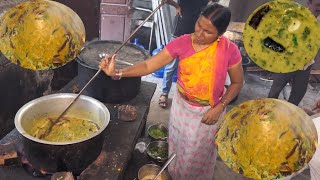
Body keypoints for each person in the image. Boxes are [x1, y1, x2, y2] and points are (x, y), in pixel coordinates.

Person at [100, 4, 243, 179]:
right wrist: (117, 72)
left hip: (208, 113)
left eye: (208, 31)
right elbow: (148, 65)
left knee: (196, 157)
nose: (199, 33)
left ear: (220, 34)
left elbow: (237, 83)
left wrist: (220, 106)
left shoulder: (229, 50)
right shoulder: (182, 42)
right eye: (199, 25)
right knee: (177, 148)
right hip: (181, 108)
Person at [159, 0, 218, 108]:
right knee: (171, 66)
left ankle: (187, 97)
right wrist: (177, 6)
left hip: (197, 34)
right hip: (180, 30)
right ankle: (164, 93)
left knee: (192, 67)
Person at [268, 0, 320, 106]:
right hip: (288, 62)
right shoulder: (296, 17)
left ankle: (290, 115)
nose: (319, 8)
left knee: (298, 93)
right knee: (275, 91)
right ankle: (268, 113)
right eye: (318, 4)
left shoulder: (319, 22)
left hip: (306, 65)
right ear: (309, 3)